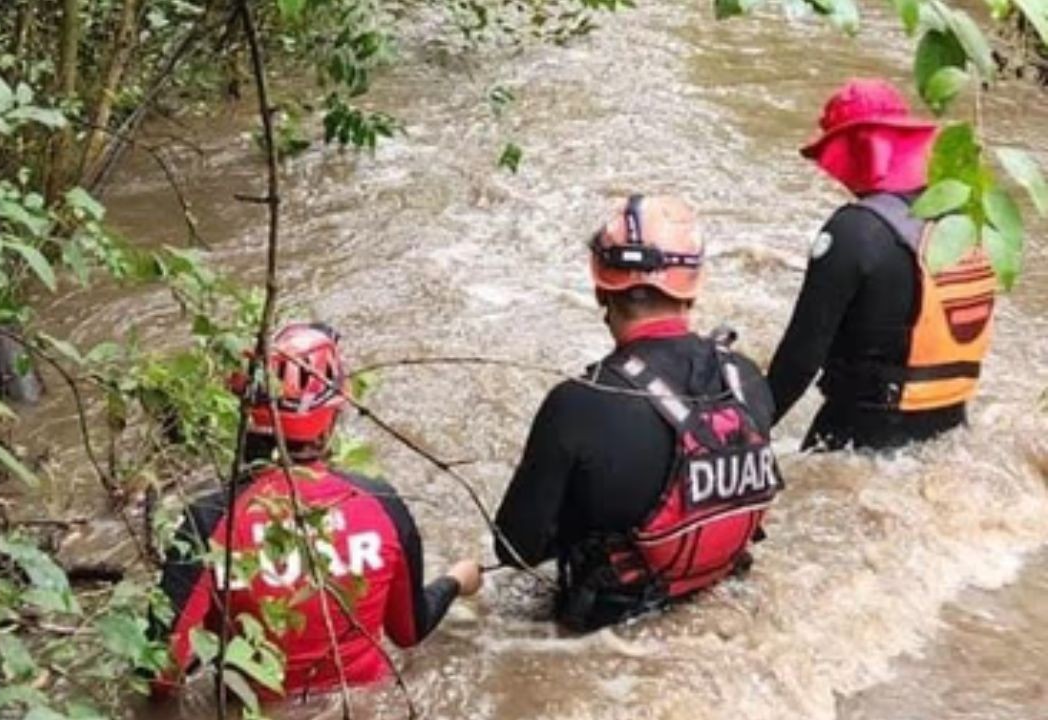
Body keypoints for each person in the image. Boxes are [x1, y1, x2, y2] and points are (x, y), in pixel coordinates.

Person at [494, 195, 782, 632]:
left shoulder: (579, 402)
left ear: (600, 290)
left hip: (606, 633)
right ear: (692, 289)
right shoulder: (745, 378)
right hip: (720, 607)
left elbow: (515, 549)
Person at [151, 322, 482, 699]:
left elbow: (161, 677)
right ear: (330, 423)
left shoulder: (209, 520)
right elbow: (408, 632)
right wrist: (455, 580)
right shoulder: (381, 502)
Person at [768, 78, 998, 452]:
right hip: (949, 438)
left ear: (854, 151)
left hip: (860, 437)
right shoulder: (962, 221)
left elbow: (800, 359)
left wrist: (747, 433)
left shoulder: (854, 230)